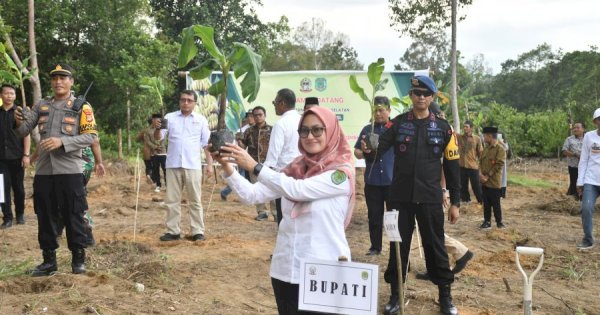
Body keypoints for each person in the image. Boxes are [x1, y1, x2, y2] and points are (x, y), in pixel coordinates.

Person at [214, 106, 354, 315]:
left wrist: (255, 167)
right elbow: (251, 195)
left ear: (331, 131)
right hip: (286, 270)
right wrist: (227, 166)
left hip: (324, 274)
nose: (309, 136)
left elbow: (299, 190)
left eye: (317, 130)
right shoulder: (294, 169)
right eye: (304, 131)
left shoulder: (341, 174)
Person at [362, 76, 460, 315]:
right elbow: (375, 152)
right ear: (411, 96)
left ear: (432, 97)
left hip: (429, 198)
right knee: (398, 247)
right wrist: (369, 144)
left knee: (435, 247)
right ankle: (396, 295)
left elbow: (452, 167)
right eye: (417, 93)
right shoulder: (396, 125)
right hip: (399, 200)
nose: (421, 98)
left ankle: (445, 296)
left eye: (426, 94)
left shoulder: (444, 128)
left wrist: (455, 201)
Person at [15, 64, 97, 276]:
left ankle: (78, 259)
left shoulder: (81, 107)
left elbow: (91, 137)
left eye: (63, 78)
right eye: (55, 78)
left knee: (74, 214)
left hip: (70, 169)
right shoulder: (41, 106)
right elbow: (23, 130)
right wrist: (18, 121)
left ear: (71, 82)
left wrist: (62, 141)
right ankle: (48, 261)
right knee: (45, 214)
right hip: (44, 171)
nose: (58, 82)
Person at [156, 90, 213, 242]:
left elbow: (207, 144)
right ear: (179, 102)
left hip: (193, 165)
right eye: (183, 100)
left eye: (189, 100)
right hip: (173, 164)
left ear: (195, 103)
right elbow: (160, 138)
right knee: (172, 200)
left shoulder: (201, 120)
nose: (185, 103)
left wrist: (209, 164)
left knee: (195, 199)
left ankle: (197, 231)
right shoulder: (169, 117)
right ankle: (173, 230)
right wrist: (157, 127)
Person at [354, 96, 394, 256]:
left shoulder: (395, 129)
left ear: (389, 111)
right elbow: (356, 152)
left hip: (393, 181)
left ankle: (395, 248)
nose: (377, 114)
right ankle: (375, 247)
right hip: (373, 181)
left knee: (394, 218)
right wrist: (363, 152)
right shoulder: (367, 130)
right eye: (375, 110)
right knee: (374, 216)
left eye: (381, 110)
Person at [264, 88, 302, 225]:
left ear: (282, 103)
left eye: (275, 102)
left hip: (284, 176)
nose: (274, 105)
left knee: (284, 218)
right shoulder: (303, 120)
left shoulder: (281, 124)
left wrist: (265, 175)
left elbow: (273, 155)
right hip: (303, 175)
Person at [0, 84, 31, 228]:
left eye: (12, 93)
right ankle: (7, 218)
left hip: (17, 157)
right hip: (1, 159)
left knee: (18, 187)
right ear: (1, 95)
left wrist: (26, 155)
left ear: (15, 96)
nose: (9, 96)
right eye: (6, 93)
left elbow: (26, 135)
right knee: (2, 189)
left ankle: (20, 214)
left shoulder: (19, 112)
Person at [240, 106, 276, 221]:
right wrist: (239, 140)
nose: (257, 117)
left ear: (265, 115)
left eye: (260, 114)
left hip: (270, 165)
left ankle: (276, 213)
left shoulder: (272, 130)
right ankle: (262, 212)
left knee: (273, 189)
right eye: (255, 115)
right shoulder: (248, 131)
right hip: (253, 164)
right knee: (257, 189)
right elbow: (242, 147)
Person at [575, 108, 600, 250]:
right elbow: (584, 160)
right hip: (591, 180)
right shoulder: (589, 137)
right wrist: (580, 182)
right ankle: (588, 239)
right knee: (586, 208)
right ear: (595, 121)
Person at [221, 110, 254, 201]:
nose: (250, 118)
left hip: (253, 158)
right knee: (241, 177)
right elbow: (237, 144)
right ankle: (225, 192)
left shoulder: (255, 129)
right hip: (242, 156)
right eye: (249, 117)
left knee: (247, 178)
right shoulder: (244, 130)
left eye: (252, 116)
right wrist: (239, 140)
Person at [479, 126, 507, 230]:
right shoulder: (486, 148)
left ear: (490, 136)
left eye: (484, 136)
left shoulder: (500, 149)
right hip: (484, 181)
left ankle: (499, 222)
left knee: (495, 203)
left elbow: (499, 164)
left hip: (494, 181)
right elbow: (481, 162)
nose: (483, 138)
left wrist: (487, 176)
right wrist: (481, 175)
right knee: (486, 203)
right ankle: (487, 221)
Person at [458, 120, 483, 204]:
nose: (464, 128)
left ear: (471, 128)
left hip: (473, 166)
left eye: (466, 127)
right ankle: (466, 200)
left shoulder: (477, 139)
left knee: (476, 185)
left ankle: (481, 201)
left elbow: (481, 153)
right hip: (462, 166)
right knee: (463, 185)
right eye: (464, 126)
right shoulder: (459, 137)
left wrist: (481, 166)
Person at [563, 123, 585, 198]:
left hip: (586, 166)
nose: (575, 129)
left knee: (584, 183)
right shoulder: (569, 139)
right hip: (573, 166)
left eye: (578, 127)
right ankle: (572, 198)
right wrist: (575, 155)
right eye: (574, 128)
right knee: (574, 182)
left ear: (583, 129)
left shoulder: (588, 138)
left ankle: (583, 198)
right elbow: (564, 151)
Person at [147, 113, 167, 193]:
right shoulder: (148, 130)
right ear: (153, 120)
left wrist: (160, 147)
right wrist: (155, 147)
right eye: (156, 119)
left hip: (163, 153)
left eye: (159, 119)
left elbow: (164, 139)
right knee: (156, 170)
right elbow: (147, 141)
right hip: (154, 153)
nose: (158, 121)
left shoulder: (164, 129)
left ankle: (168, 185)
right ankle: (158, 185)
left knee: (165, 169)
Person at [137, 118, 154, 185]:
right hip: (155, 152)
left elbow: (137, 139)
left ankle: (148, 175)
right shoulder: (157, 130)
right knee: (155, 166)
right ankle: (152, 179)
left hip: (146, 152)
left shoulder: (145, 131)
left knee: (148, 166)